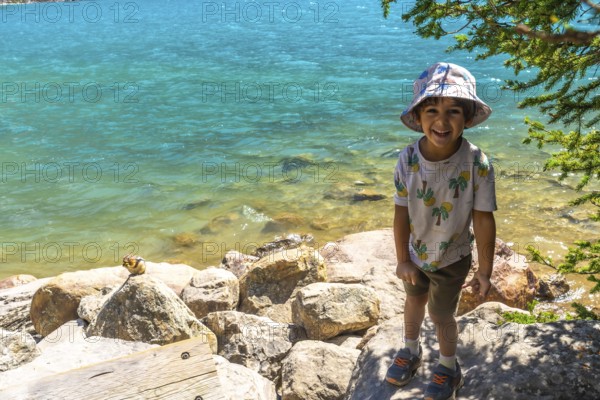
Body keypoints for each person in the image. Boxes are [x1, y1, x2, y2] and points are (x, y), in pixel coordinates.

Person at [385, 62, 497, 400]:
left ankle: (449, 366)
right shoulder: (408, 159)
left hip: (453, 255)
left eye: (453, 111)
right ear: (418, 118)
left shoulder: (477, 162)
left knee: (442, 313)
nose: (442, 120)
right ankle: (410, 348)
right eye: (432, 110)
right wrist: (403, 259)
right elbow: (401, 213)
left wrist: (485, 270)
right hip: (416, 252)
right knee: (413, 300)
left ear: (467, 118)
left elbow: (484, 218)